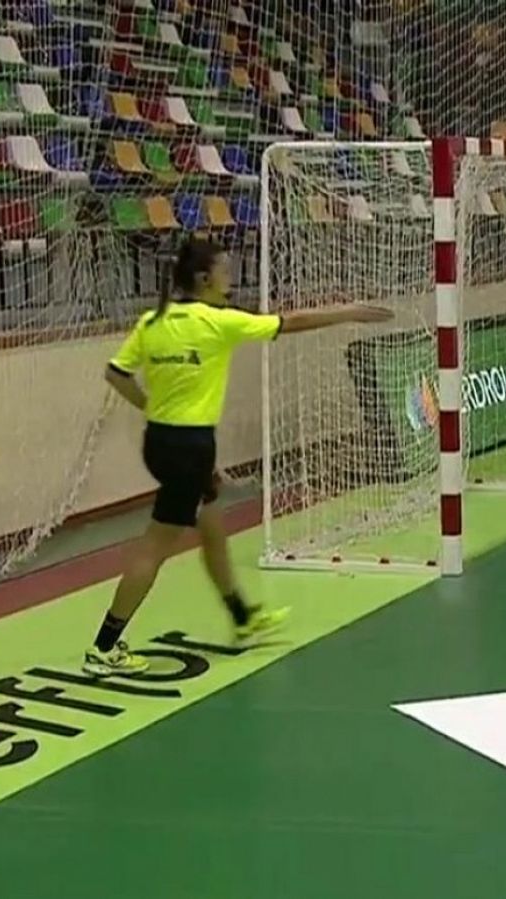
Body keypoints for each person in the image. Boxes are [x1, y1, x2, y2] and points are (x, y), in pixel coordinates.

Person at [88, 239, 393, 675]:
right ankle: (104, 646)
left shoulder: (152, 322)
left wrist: (148, 405)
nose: (230, 280)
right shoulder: (218, 323)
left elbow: (115, 374)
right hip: (189, 448)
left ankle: (242, 618)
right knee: (154, 547)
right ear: (203, 279)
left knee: (212, 527)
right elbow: (292, 322)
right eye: (224, 272)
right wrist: (347, 312)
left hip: (162, 442)